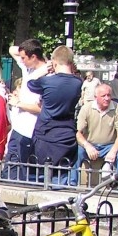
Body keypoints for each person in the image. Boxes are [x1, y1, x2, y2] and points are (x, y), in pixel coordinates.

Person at [27, 45, 82, 180]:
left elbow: (30, 84)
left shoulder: (47, 81)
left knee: (42, 175)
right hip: (66, 134)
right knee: (63, 175)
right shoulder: (78, 82)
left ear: (54, 62)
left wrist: (45, 70)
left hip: (46, 132)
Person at [3, 39, 47, 180]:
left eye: (24, 58)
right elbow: (11, 49)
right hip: (19, 127)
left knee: (22, 168)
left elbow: (41, 109)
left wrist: (19, 103)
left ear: (33, 57)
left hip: (31, 129)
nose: (21, 61)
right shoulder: (27, 68)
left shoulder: (47, 76)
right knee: (11, 165)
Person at [73, 83, 118, 185]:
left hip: (109, 145)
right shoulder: (86, 108)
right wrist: (87, 146)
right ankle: (72, 183)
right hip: (90, 144)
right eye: (103, 96)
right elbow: (78, 134)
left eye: (109, 95)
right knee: (76, 153)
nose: (107, 98)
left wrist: (113, 151)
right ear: (95, 97)